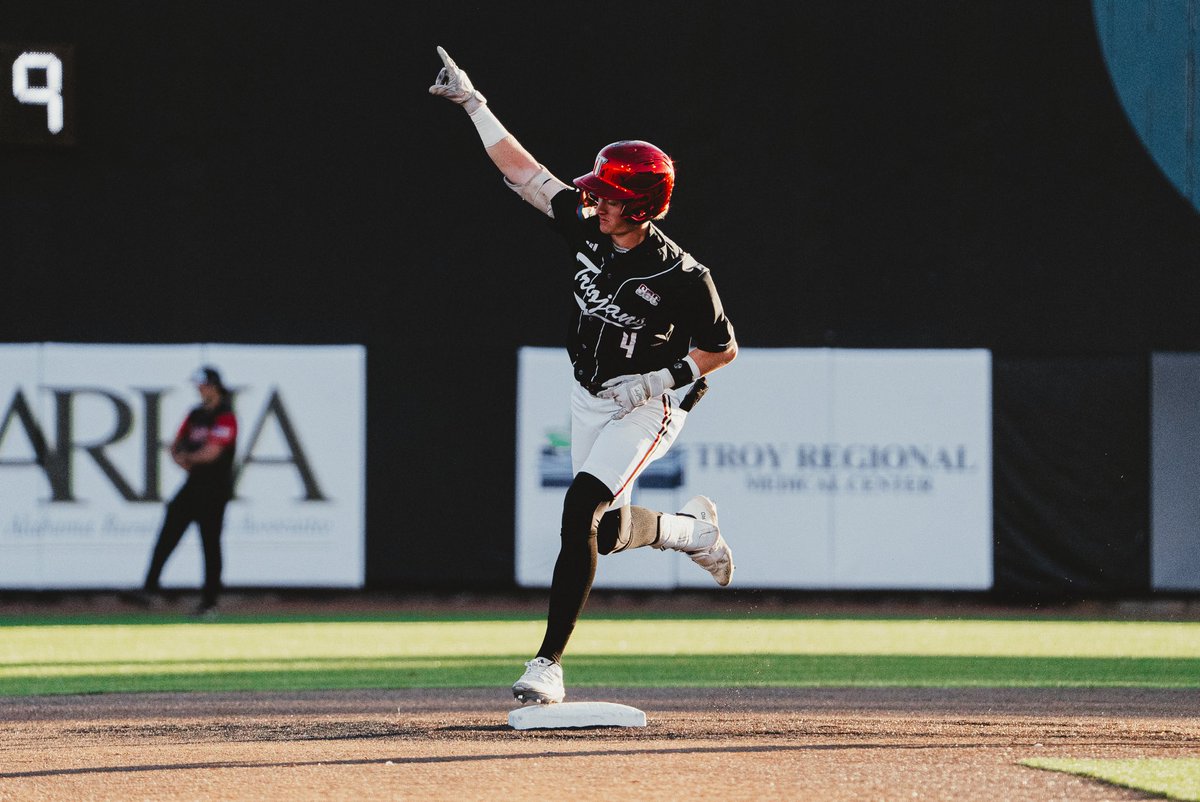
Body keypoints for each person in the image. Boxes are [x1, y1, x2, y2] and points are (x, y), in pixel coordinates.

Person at [429, 47, 739, 705]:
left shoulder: (683, 277)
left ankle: (547, 664)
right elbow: (527, 174)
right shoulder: (591, 228)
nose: (593, 200)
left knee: (578, 512)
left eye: (608, 196)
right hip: (588, 395)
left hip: (644, 406)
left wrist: (659, 380)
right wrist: (475, 105)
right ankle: (690, 532)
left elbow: (722, 348)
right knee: (601, 531)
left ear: (640, 208)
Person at [135, 366, 238, 617]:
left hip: (215, 489)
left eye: (203, 385)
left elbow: (212, 453)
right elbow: (176, 446)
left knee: (210, 543)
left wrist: (189, 456)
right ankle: (149, 588)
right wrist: (186, 457)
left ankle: (209, 602)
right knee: (168, 533)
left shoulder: (226, 416)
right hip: (193, 484)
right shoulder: (196, 414)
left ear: (214, 386)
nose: (199, 389)